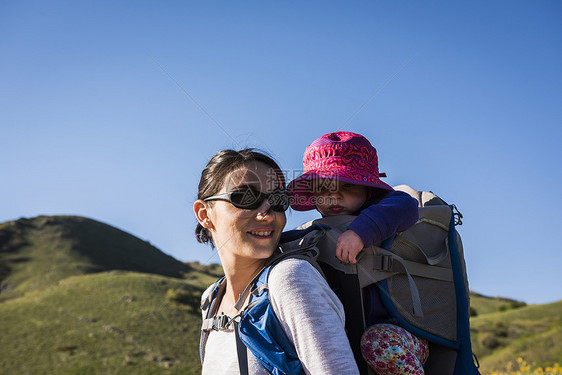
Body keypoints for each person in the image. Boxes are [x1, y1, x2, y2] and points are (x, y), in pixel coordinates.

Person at [193, 148, 359, 375]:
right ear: (204, 214)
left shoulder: (290, 279)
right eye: (245, 197)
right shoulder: (211, 298)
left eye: (278, 200)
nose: (268, 214)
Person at [287, 131, 429, 375]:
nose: (334, 194)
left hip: (399, 333)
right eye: (323, 188)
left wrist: (360, 232)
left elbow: (406, 205)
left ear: (369, 189)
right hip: (348, 335)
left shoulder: (380, 210)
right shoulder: (316, 233)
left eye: (348, 185)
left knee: (378, 343)